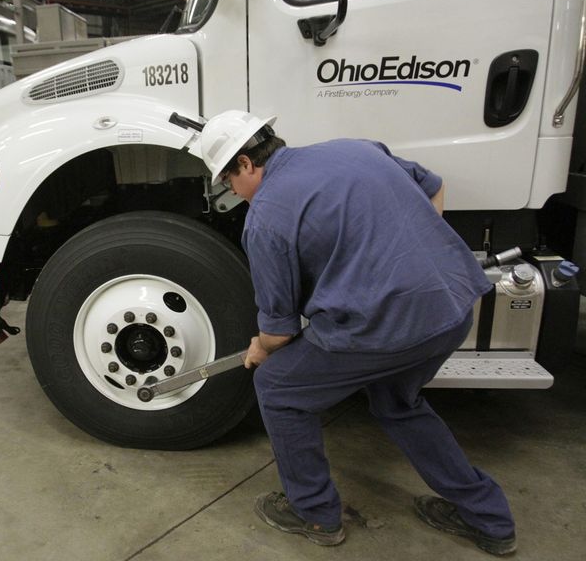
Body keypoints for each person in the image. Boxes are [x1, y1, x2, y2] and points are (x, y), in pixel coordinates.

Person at [199, 110, 516, 556]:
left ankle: (313, 513)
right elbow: (434, 185)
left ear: (247, 164)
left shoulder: (266, 218)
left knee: (277, 386)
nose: (232, 192)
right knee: (396, 401)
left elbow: (279, 331)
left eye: (229, 181)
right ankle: (490, 519)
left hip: (385, 326)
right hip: (452, 304)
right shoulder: (352, 148)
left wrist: (259, 347)